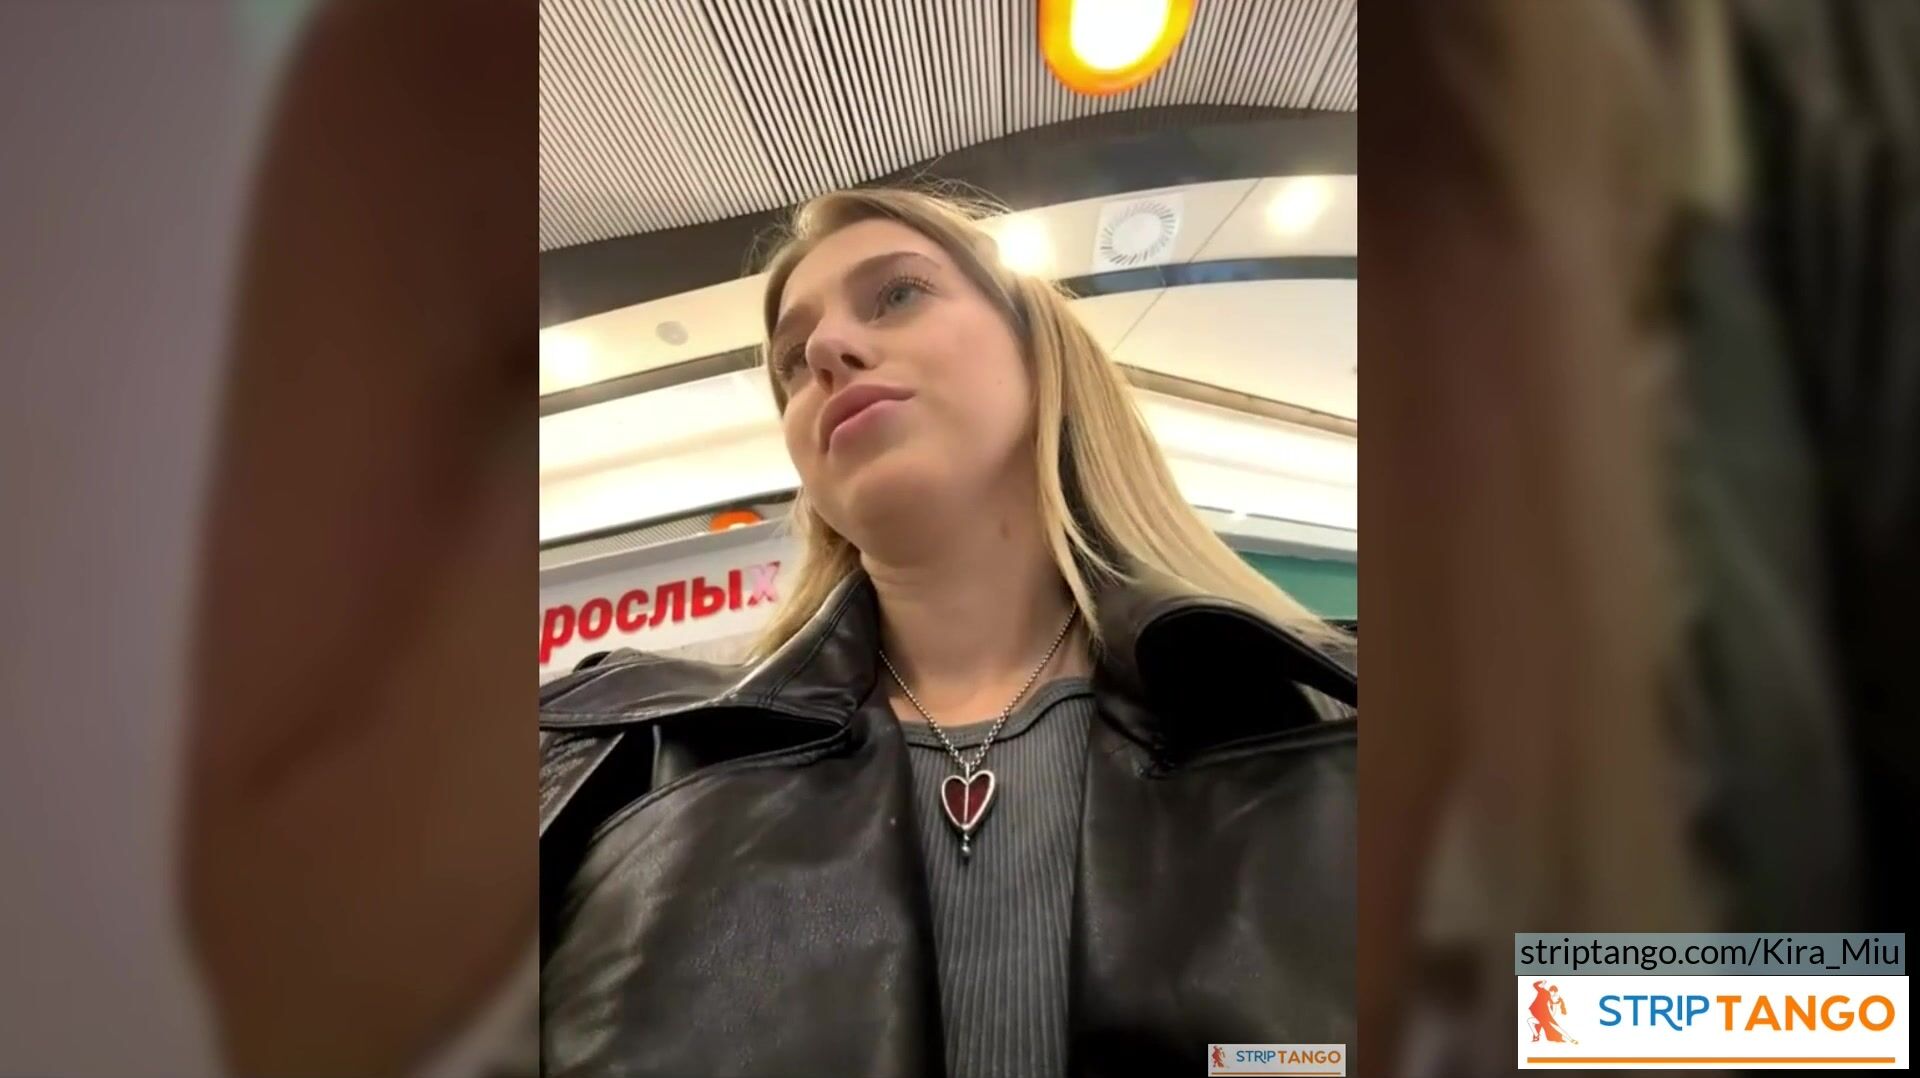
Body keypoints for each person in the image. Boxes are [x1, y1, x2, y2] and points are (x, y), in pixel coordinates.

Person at [539, 187, 1359, 1078]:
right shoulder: (607, 755)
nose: (825, 351)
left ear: (1042, 358)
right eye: (791, 361)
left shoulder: (1354, 720)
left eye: (897, 293)